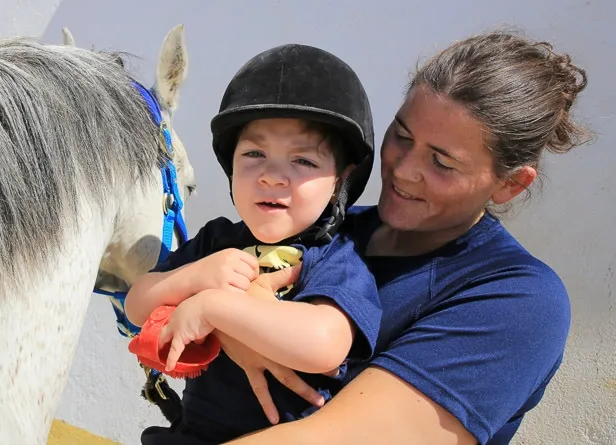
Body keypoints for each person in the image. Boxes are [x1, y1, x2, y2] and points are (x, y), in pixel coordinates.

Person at [216, 30, 592, 445]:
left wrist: (229, 317)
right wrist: (225, 323)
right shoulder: (319, 228)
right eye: (402, 136)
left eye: (442, 162)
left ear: (511, 185)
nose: (403, 169)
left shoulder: (518, 300)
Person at [124, 43, 382, 444]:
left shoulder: (335, 258)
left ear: (340, 182)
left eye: (303, 161)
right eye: (254, 153)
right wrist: (195, 276)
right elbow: (136, 304)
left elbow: (324, 344)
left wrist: (214, 306)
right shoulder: (217, 240)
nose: (272, 176)